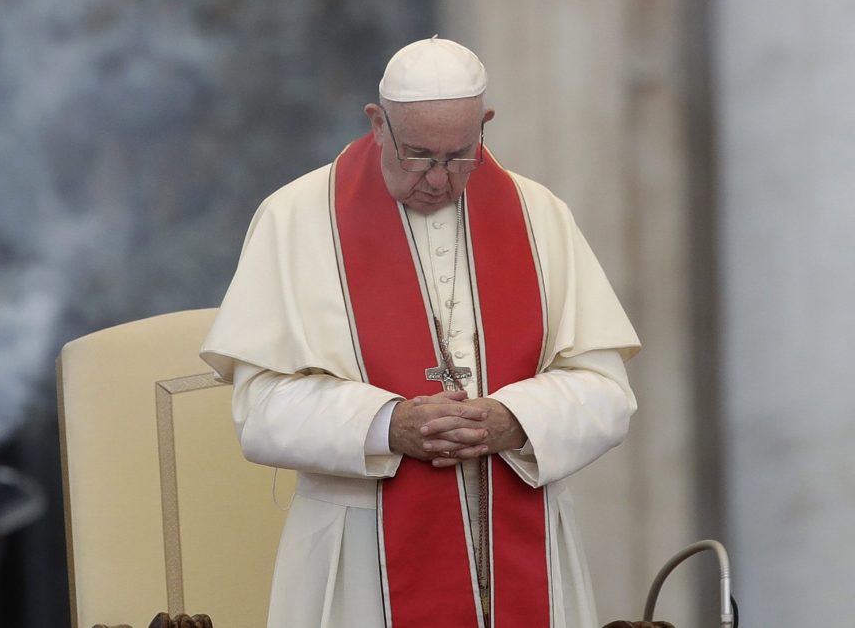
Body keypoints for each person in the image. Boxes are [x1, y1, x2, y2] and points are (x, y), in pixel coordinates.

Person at [200, 37, 640, 628]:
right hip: (360, 561)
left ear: (485, 125)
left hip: (516, 545)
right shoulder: (296, 220)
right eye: (417, 155)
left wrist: (515, 418)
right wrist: (387, 424)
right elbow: (260, 410)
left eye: (459, 156)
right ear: (378, 124)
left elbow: (605, 390)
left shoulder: (540, 217)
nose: (438, 179)